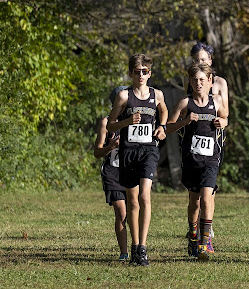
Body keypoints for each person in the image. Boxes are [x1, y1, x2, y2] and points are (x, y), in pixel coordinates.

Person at [106, 54, 168, 266]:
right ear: (130, 73)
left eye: (145, 71)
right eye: (137, 71)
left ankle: (143, 246)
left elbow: (164, 111)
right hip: (128, 151)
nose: (140, 75)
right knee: (132, 201)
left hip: (148, 150)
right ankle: (134, 247)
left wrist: (162, 127)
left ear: (150, 73)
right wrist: (126, 122)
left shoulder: (157, 95)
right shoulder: (124, 97)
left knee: (144, 196)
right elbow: (110, 125)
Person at [166, 62, 228, 260]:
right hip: (191, 158)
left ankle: (205, 241)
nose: (199, 83)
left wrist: (223, 122)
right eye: (195, 80)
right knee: (194, 201)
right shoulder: (185, 103)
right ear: (190, 82)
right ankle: (193, 236)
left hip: (211, 157)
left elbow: (226, 117)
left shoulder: (216, 101)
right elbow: (168, 127)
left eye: (202, 80)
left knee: (207, 196)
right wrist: (185, 121)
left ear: (210, 81)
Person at [93, 85, 129, 261]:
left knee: (134, 212)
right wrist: (111, 146)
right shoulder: (106, 123)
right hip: (113, 172)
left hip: (132, 171)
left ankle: (138, 248)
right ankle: (124, 252)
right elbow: (97, 152)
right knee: (121, 212)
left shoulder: (136, 120)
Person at [190, 41, 229, 108]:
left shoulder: (220, 82)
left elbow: (225, 114)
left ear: (210, 61)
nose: (200, 63)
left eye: (203, 60)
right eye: (196, 60)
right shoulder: (188, 81)